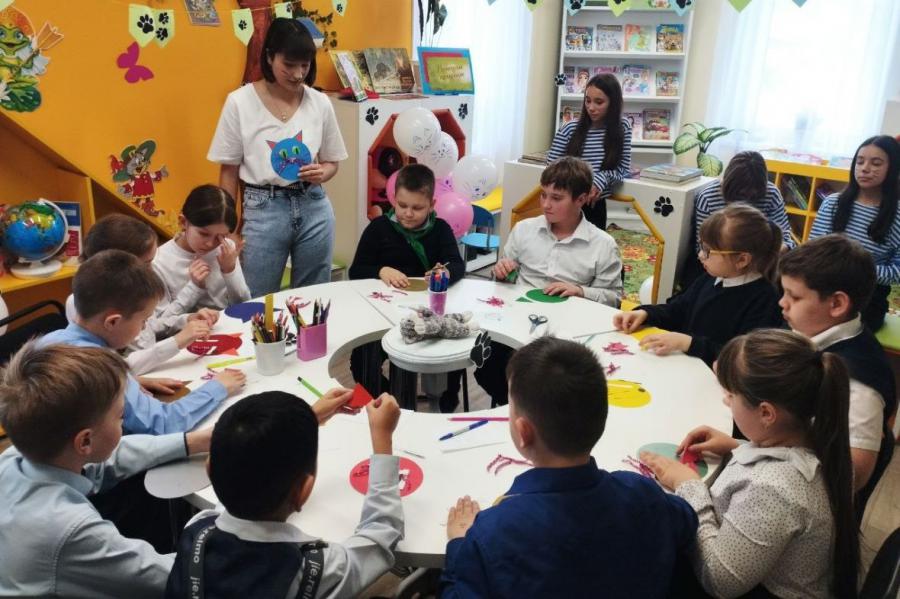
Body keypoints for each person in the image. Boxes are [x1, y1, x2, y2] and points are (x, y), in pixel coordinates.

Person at [440, 337, 698, 598]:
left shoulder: (492, 533)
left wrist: (459, 543)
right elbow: (687, 523)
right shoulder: (642, 494)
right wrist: (687, 484)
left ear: (523, 432)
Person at [642, 329, 858, 599]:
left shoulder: (774, 491)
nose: (726, 401)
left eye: (732, 395)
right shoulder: (819, 440)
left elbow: (719, 581)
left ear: (766, 413)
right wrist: (738, 446)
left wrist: (689, 487)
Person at [0, 342, 214, 598]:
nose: (123, 422)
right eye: (120, 416)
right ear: (85, 441)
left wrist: (194, 441)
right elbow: (173, 577)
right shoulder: (70, 529)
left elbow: (111, 458)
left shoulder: (17, 457)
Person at [165, 390, 404, 599]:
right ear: (303, 491)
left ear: (209, 469)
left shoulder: (197, 529)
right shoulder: (312, 569)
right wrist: (382, 438)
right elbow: (379, 538)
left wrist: (306, 421)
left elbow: (243, 470)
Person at [209, 17, 349, 296]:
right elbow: (229, 171)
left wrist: (323, 173)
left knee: (314, 297)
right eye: (289, 64)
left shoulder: (320, 102)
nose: (298, 74)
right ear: (270, 56)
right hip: (263, 208)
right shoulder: (239, 102)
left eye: (305, 65)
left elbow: (332, 162)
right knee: (256, 298)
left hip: (313, 205)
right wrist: (228, 228)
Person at [42, 249, 245, 435]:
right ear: (113, 322)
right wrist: (218, 387)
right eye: (144, 321)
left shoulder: (49, 341)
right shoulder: (105, 372)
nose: (144, 327)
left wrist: (133, 380)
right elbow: (164, 423)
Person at [478, 156, 623, 405]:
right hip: (518, 322)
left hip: (569, 332)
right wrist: (502, 273)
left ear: (581, 199)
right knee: (487, 365)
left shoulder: (603, 245)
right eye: (543, 195)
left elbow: (614, 300)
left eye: (556, 198)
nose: (546, 204)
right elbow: (505, 283)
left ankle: (533, 412)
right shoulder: (524, 230)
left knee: (553, 382)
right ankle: (513, 408)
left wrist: (580, 290)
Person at [779, 234, 896, 518]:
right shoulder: (814, 330)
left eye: (794, 296)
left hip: (809, 509)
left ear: (837, 305)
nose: (782, 303)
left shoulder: (857, 385)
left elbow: (855, 473)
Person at [349, 164, 466, 412]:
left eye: (417, 208)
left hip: (429, 314)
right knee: (362, 363)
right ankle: (391, 403)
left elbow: (457, 265)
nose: (408, 214)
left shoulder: (441, 229)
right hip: (383, 314)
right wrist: (381, 270)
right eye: (402, 205)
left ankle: (444, 401)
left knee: (451, 353)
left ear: (432, 204)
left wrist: (445, 272)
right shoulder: (379, 228)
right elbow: (356, 270)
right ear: (394, 198)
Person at [614, 204, 782, 366]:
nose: (700, 255)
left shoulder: (765, 299)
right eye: (701, 246)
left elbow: (743, 359)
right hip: (683, 364)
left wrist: (689, 343)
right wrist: (646, 313)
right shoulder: (711, 277)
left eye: (708, 251)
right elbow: (678, 309)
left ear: (742, 260)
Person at [64, 213, 219, 378]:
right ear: (116, 263)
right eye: (147, 264)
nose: (152, 270)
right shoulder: (87, 304)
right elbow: (116, 369)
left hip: (150, 372)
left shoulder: (129, 290)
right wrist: (177, 341)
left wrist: (185, 320)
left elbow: (147, 329)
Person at [809, 135, 900, 331]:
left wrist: (857, 270)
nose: (865, 168)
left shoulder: (897, 215)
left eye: (876, 163)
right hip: (826, 286)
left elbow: (897, 272)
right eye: (859, 162)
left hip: (868, 296)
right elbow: (812, 251)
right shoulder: (833, 203)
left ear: (893, 168)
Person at [546, 73, 632, 230]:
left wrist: (601, 178)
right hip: (566, 203)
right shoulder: (569, 128)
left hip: (595, 205)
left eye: (599, 102)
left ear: (613, 103)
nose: (591, 108)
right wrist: (580, 185)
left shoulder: (623, 126)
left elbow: (623, 170)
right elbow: (550, 171)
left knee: (594, 244)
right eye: (587, 100)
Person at [153, 184, 251, 314]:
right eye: (204, 234)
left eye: (221, 236)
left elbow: (244, 305)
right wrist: (194, 287)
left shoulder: (226, 249)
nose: (210, 244)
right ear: (183, 222)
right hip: (187, 327)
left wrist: (229, 271)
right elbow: (161, 322)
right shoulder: (159, 263)